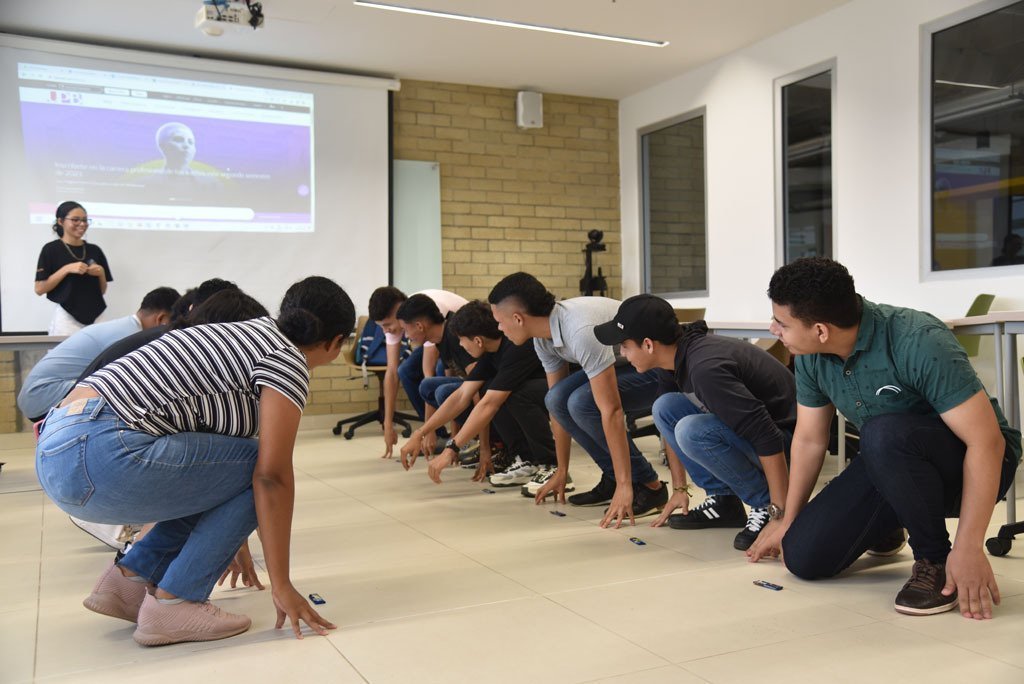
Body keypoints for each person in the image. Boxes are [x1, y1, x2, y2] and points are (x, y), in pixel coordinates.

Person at [35, 276, 355, 646]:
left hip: (58, 451)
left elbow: (207, 470)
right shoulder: (287, 360)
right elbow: (270, 477)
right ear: (335, 342)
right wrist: (282, 585)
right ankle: (177, 601)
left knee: (228, 464)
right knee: (257, 463)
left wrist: (231, 540)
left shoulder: (247, 334)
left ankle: (128, 582)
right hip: (101, 453)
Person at [748, 257, 1021, 620]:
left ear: (820, 330)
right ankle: (887, 524)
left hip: (973, 463)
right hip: (892, 462)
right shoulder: (811, 355)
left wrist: (969, 547)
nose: (773, 330)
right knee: (803, 557)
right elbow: (810, 440)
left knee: (883, 432)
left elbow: (986, 444)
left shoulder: (918, 340)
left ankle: (934, 559)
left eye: (781, 323)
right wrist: (787, 520)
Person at [594, 294, 796, 551]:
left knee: (692, 431)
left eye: (624, 345)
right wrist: (680, 488)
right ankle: (723, 501)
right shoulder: (673, 359)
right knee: (664, 408)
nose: (622, 353)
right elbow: (668, 424)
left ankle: (763, 505)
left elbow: (766, 435)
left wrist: (780, 513)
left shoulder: (705, 368)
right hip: (766, 439)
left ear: (647, 345)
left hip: (789, 446)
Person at [487, 273, 668, 528]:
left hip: (659, 369)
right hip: (624, 365)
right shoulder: (543, 338)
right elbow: (556, 406)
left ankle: (649, 486)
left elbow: (612, 411)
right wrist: (562, 469)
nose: (499, 329)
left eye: (499, 321)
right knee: (558, 399)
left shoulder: (580, 330)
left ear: (518, 319)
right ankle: (613, 476)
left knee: (582, 402)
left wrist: (628, 484)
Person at [398, 300, 557, 487]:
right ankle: (526, 459)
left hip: (557, 390)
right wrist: (421, 433)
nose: (460, 345)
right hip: (540, 394)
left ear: (478, 340)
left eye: (461, 339)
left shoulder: (515, 347)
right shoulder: (490, 353)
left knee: (511, 394)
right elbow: (461, 396)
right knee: (488, 389)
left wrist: (451, 449)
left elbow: (489, 404)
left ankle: (551, 464)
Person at [18, 287, 180, 423]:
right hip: (43, 396)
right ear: (162, 319)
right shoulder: (130, 337)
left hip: (38, 394)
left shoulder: (123, 327)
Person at [368, 287, 467, 458]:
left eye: (387, 325)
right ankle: (440, 436)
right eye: (381, 327)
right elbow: (391, 373)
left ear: (400, 313)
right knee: (404, 370)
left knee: (437, 373)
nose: (385, 332)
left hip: (461, 339)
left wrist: (427, 430)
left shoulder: (422, 316)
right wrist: (388, 423)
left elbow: (429, 375)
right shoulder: (400, 323)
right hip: (439, 341)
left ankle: (447, 434)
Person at [394, 294, 476, 456]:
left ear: (419, 326)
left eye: (405, 330)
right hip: (472, 389)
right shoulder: (441, 339)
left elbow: (479, 385)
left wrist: (485, 447)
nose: (406, 336)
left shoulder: (456, 333)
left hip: (490, 393)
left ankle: (484, 439)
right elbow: (456, 379)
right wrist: (453, 441)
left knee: (443, 392)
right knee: (429, 385)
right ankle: (461, 439)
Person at [34, 201, 114, 335]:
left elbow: (102, 291)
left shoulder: (94, 250)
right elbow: (39, 289)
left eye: (84, 220)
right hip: (67, 317)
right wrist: (66, 269)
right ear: (60, 221)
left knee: (102, 355)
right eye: (75, 220)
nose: (82, 224)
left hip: (98, 314)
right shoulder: (51, 249)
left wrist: (101, 273)